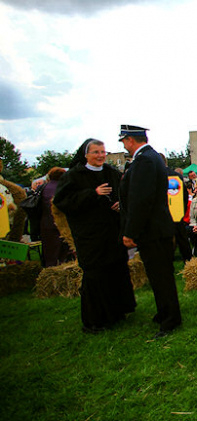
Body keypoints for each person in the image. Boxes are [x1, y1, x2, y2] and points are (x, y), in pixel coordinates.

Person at [53, 139, 136, 334]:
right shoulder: (74, 176)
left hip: (112, 233)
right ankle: (94, 321)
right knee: (96, 275)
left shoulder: (111, 173)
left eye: (103, 152)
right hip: (90, 236)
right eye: (96, 152)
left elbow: (124, 194)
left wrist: (119, 204)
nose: (100, 155)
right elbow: (62, 201)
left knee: (116, 270)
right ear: (86, 154)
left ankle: (117, 312)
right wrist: (92, 193)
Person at [118, 125, 181, 338]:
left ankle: (170, 320)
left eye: (124, 141)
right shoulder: (151, 157)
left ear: (130, 140)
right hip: (157, 228)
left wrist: (130, 231)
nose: (124, 145)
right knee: (160, 276)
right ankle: (165, 312)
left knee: (160, 277)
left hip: (151, 230)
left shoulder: (144, 160)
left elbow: (140, 199)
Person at [161, 154, 192, 263]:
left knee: (164, 241)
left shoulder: (156, 176)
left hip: (163, 213)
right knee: (182, 239)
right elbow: (184, 196)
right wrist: (182, 210)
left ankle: (166, 261)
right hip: (177, 212)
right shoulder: (176, 176)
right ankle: (188, 260)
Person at [40, 167, 71, 267]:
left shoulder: (43, 188)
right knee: (64, 255)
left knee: (50, 256)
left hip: (47, 225)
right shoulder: (66, 188)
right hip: (65, 226)